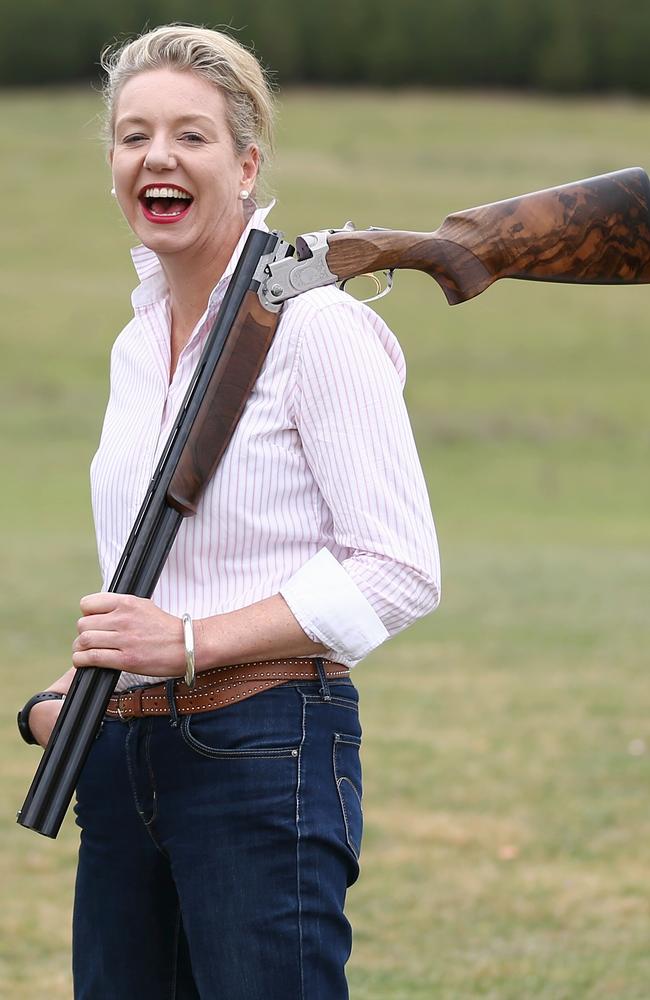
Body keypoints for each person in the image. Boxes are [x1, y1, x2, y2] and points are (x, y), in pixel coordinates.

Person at [22, 24, 440, 1000]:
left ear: (246, 163)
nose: (155, 156)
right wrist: (82, 685)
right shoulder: (137, 344)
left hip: (264, 747)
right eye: (132, 136)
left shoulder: (316, 325)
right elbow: (172, 583)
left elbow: (397, 567)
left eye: (190, 135)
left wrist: (191, 641)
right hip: (125, 755)